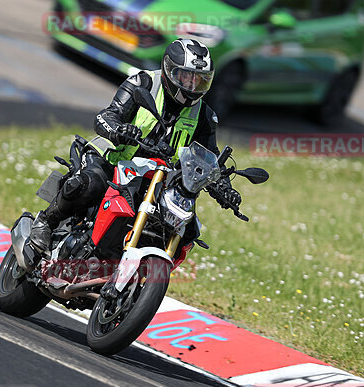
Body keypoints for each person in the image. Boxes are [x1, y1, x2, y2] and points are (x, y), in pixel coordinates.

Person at [29, 38, 242, 254]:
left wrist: (224, 185)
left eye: (200, 81)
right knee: (90, 185)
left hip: (156, 180)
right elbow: (107, 115)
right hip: (111, 160)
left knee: (185, 228)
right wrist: (119, 130)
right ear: (169, 70)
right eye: (186, 77)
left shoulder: (204, 116)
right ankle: (46, 221)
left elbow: (210, 158)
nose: (192, 86)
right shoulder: (143, 83)